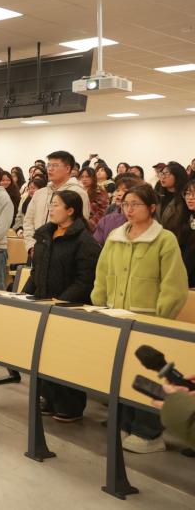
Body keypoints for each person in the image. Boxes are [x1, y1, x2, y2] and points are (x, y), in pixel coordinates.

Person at [93, 183, 189, 453]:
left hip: (149, 321)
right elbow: (102, 274)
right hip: (115, 316)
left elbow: (174, 286)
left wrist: (160, 319)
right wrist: (99, 303)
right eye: (125, 204)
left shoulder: (164, 239)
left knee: (148, 377)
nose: (129, 209)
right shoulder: (115, 237)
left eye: (135, 204)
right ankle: (124, 422)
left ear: (152, 207)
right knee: (121, 373)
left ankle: (150, 433)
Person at [23, 191, 100, 422]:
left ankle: (70, 405)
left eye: (56, 205)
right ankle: (49, 397)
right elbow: (36, 271)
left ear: (71, 210)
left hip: (69, 309)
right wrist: (23, 296)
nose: (51, 209)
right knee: (44, 354)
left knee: (67, 357)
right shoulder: (45, 235)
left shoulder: (84, 241)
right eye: (51, 205)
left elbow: (85, 280)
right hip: (44, 304)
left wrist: (59, 303)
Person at [23, 151, 90, 255]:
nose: (50, 169)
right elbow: (28, 221)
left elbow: (80, 225)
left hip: (63, 253)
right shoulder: (40, 193)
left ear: (67, 169)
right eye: (48, 165)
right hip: (37, 250)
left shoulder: (78, 192)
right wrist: (31, 246)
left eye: (54, 165)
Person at [93, 174, 143, 246]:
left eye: (125, 191)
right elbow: (95, 245)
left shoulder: (142, 220)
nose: (119, 194)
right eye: (117, 190)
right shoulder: (107, 219)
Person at [156, 161, 188, 235]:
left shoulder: (185, 198)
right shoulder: (158, 196)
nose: (163, 177)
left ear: (178, 176)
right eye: (162, 173)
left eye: (167, 174)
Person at [79, 167, 109, 232]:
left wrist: (88, 226)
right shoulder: (78, 190)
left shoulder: (99, 191)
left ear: (93, 178)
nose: (84, 179)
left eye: (87, 177)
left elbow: (102, 211)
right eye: (82, 177)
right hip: (79, 223)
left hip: (92, 226)